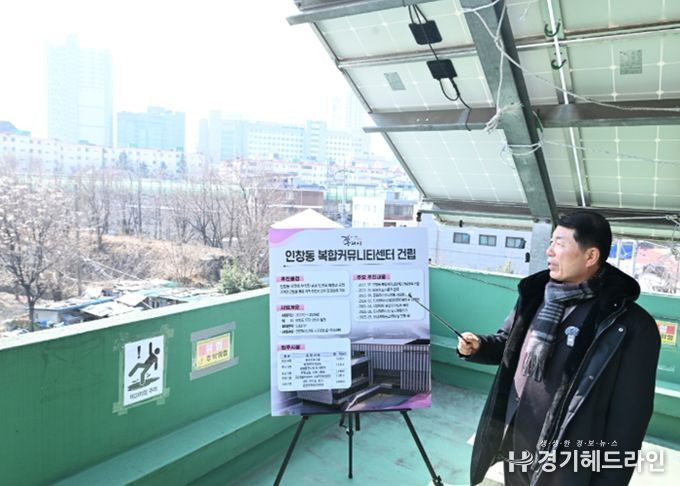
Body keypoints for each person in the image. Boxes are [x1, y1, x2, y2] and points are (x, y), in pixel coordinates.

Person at [457, 211, 660, 486]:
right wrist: (478, 347)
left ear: (591, 256)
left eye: (560, 243)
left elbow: (628, 421)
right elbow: (510, 345)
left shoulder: (629, 325)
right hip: (516, 440)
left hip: (566, 464)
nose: (549, 250)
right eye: (551, 241)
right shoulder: (536, 295)